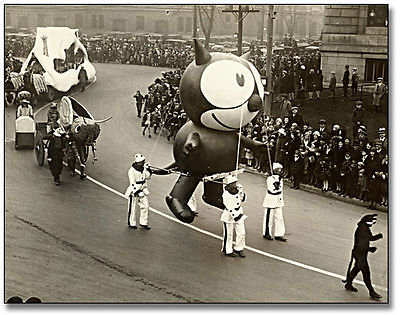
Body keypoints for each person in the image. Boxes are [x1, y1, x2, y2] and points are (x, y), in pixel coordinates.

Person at [124, 154, 168, 229]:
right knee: (133, 207)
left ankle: (143, 222)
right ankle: (132, 223)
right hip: (135, 191)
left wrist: (149, 170)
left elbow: (147, 177)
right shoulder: (131, 171)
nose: (143, 163)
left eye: (143, 161)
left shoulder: (143, 169)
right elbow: (132, 183)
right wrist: (137, 191)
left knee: (145, 206)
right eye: (141, 162)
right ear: (137, 162)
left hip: (143, 189)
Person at [220, 175, 247, 258]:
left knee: (242, 232)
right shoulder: (226, 194)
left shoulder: (237, 190)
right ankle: (227, 250)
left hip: (239, 212)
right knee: (229, 234)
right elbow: (229, 207)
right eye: (233, 183)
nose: (235, 184)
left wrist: (241, 192)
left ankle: (238, 248)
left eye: (235, 182)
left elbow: (243, 200)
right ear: (229, 184)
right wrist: (235, 216)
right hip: (229, 215)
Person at [262, 163, 287, 242]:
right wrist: (276, 184)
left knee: (279, 217)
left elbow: (280, 189)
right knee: (269, 217)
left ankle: (279, 234)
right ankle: (267, 233)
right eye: (278, 169)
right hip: (271, 199)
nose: (280, 171)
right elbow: (272, 189)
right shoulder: (270, 178)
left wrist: (278, 181)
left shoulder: (280, 178)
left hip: (278, 200)